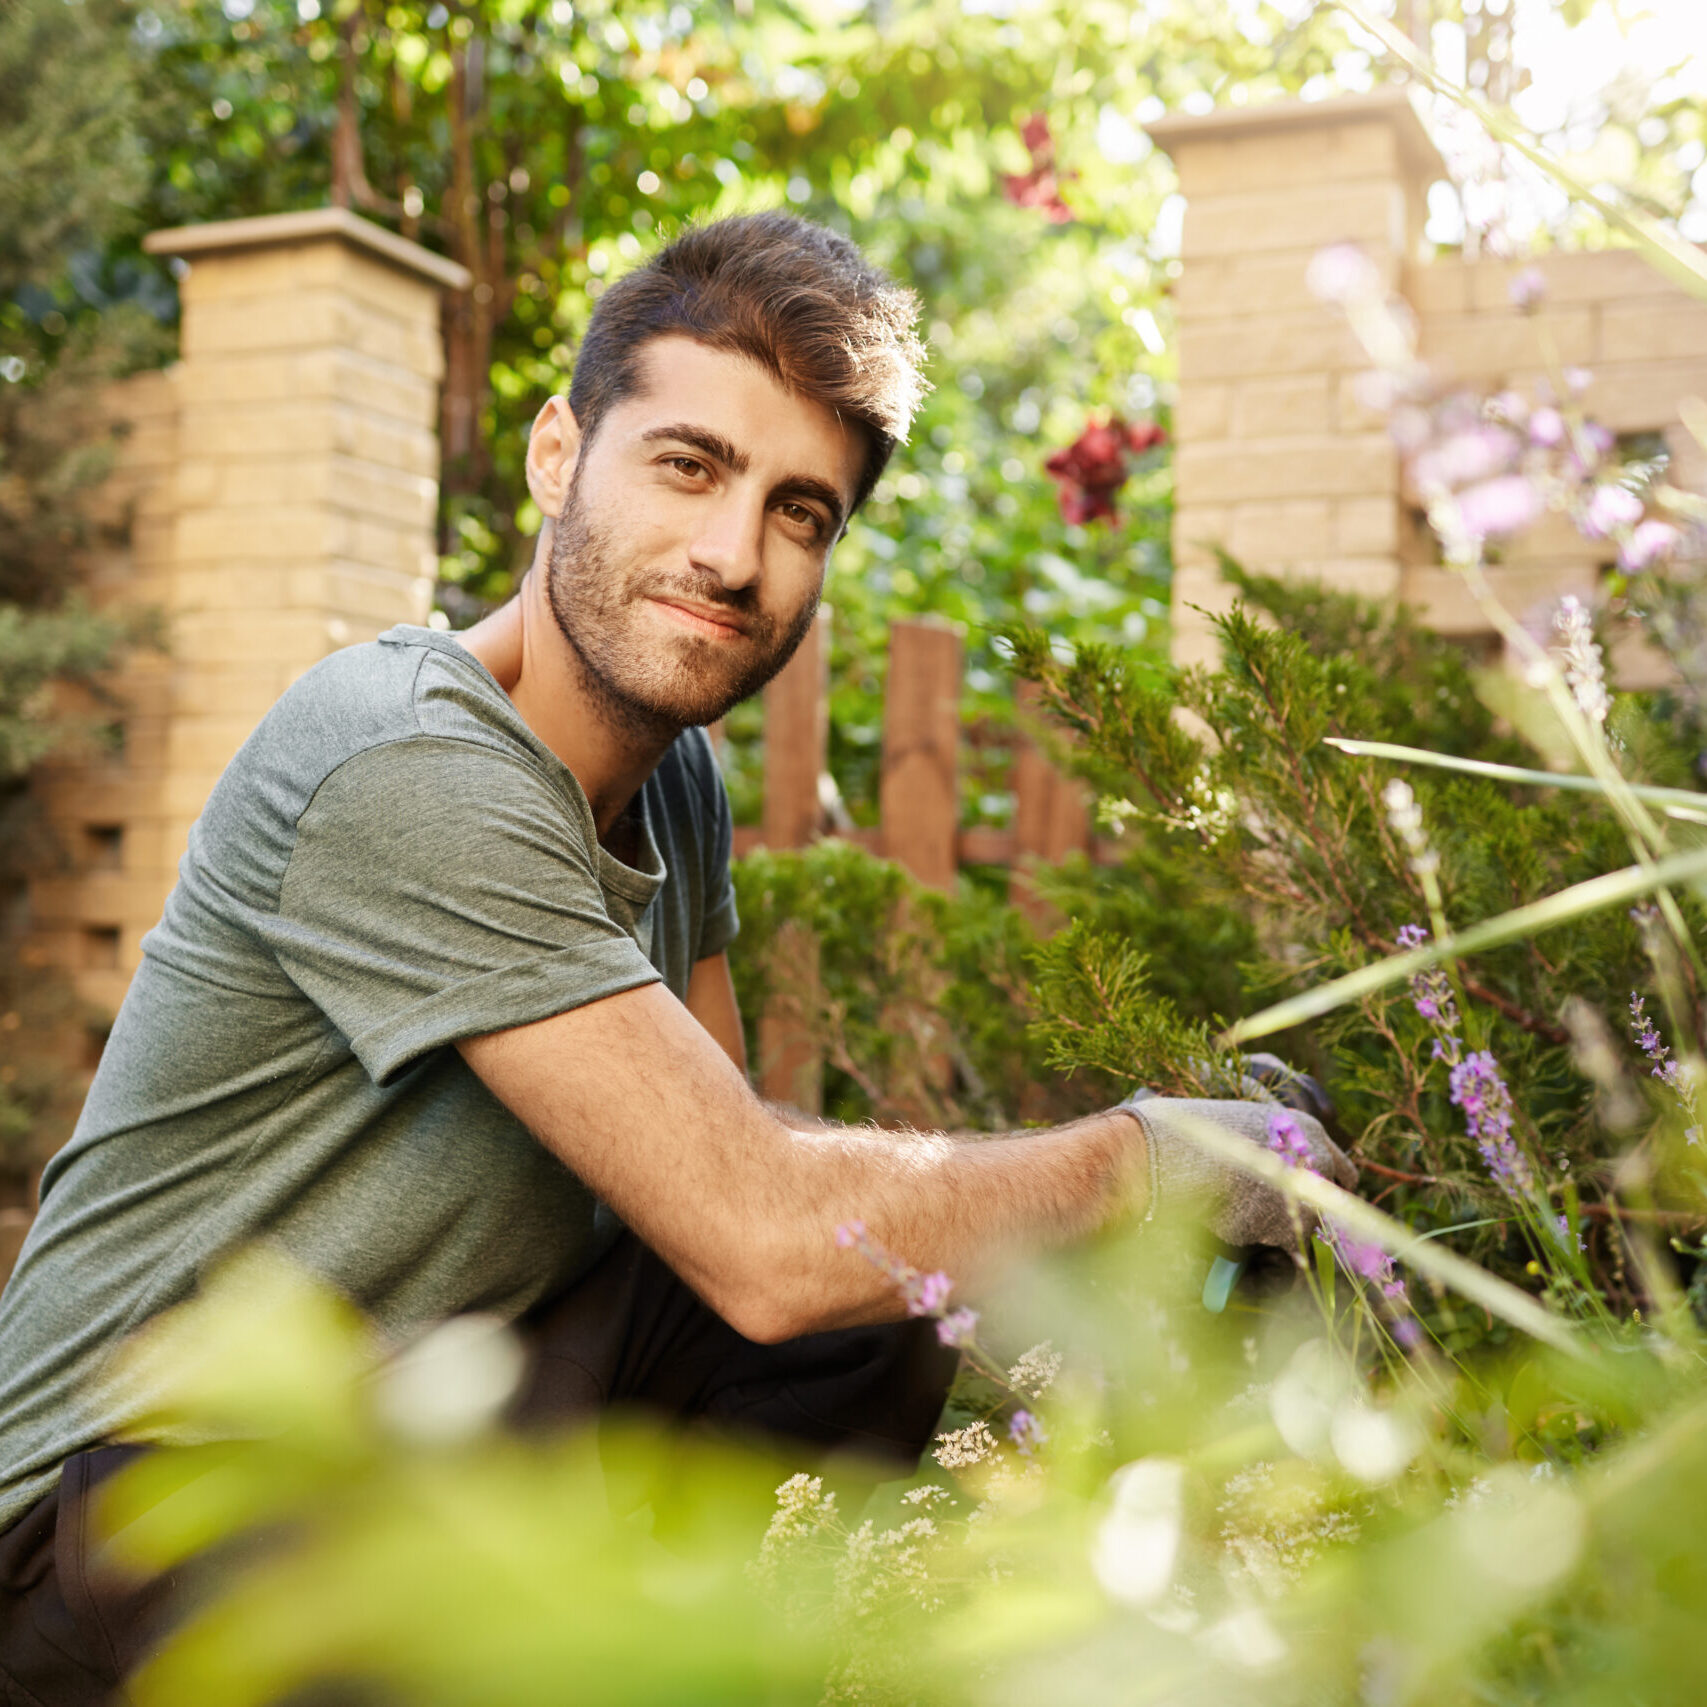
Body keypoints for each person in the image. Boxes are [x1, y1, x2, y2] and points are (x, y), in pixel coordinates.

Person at [0, 210, 1354, 1699]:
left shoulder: (675, 779)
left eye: (799, 512)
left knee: (877, 1303)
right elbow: (760, 1237)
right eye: (690, 465)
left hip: (412, 1408)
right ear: (556, 456)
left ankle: (716, 1646)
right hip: (120, 1520)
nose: (733, 555)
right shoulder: (397, 758)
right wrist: (1137, 1165)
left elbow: (745, 1159)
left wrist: (1097, 1244)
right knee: (797, 1263)